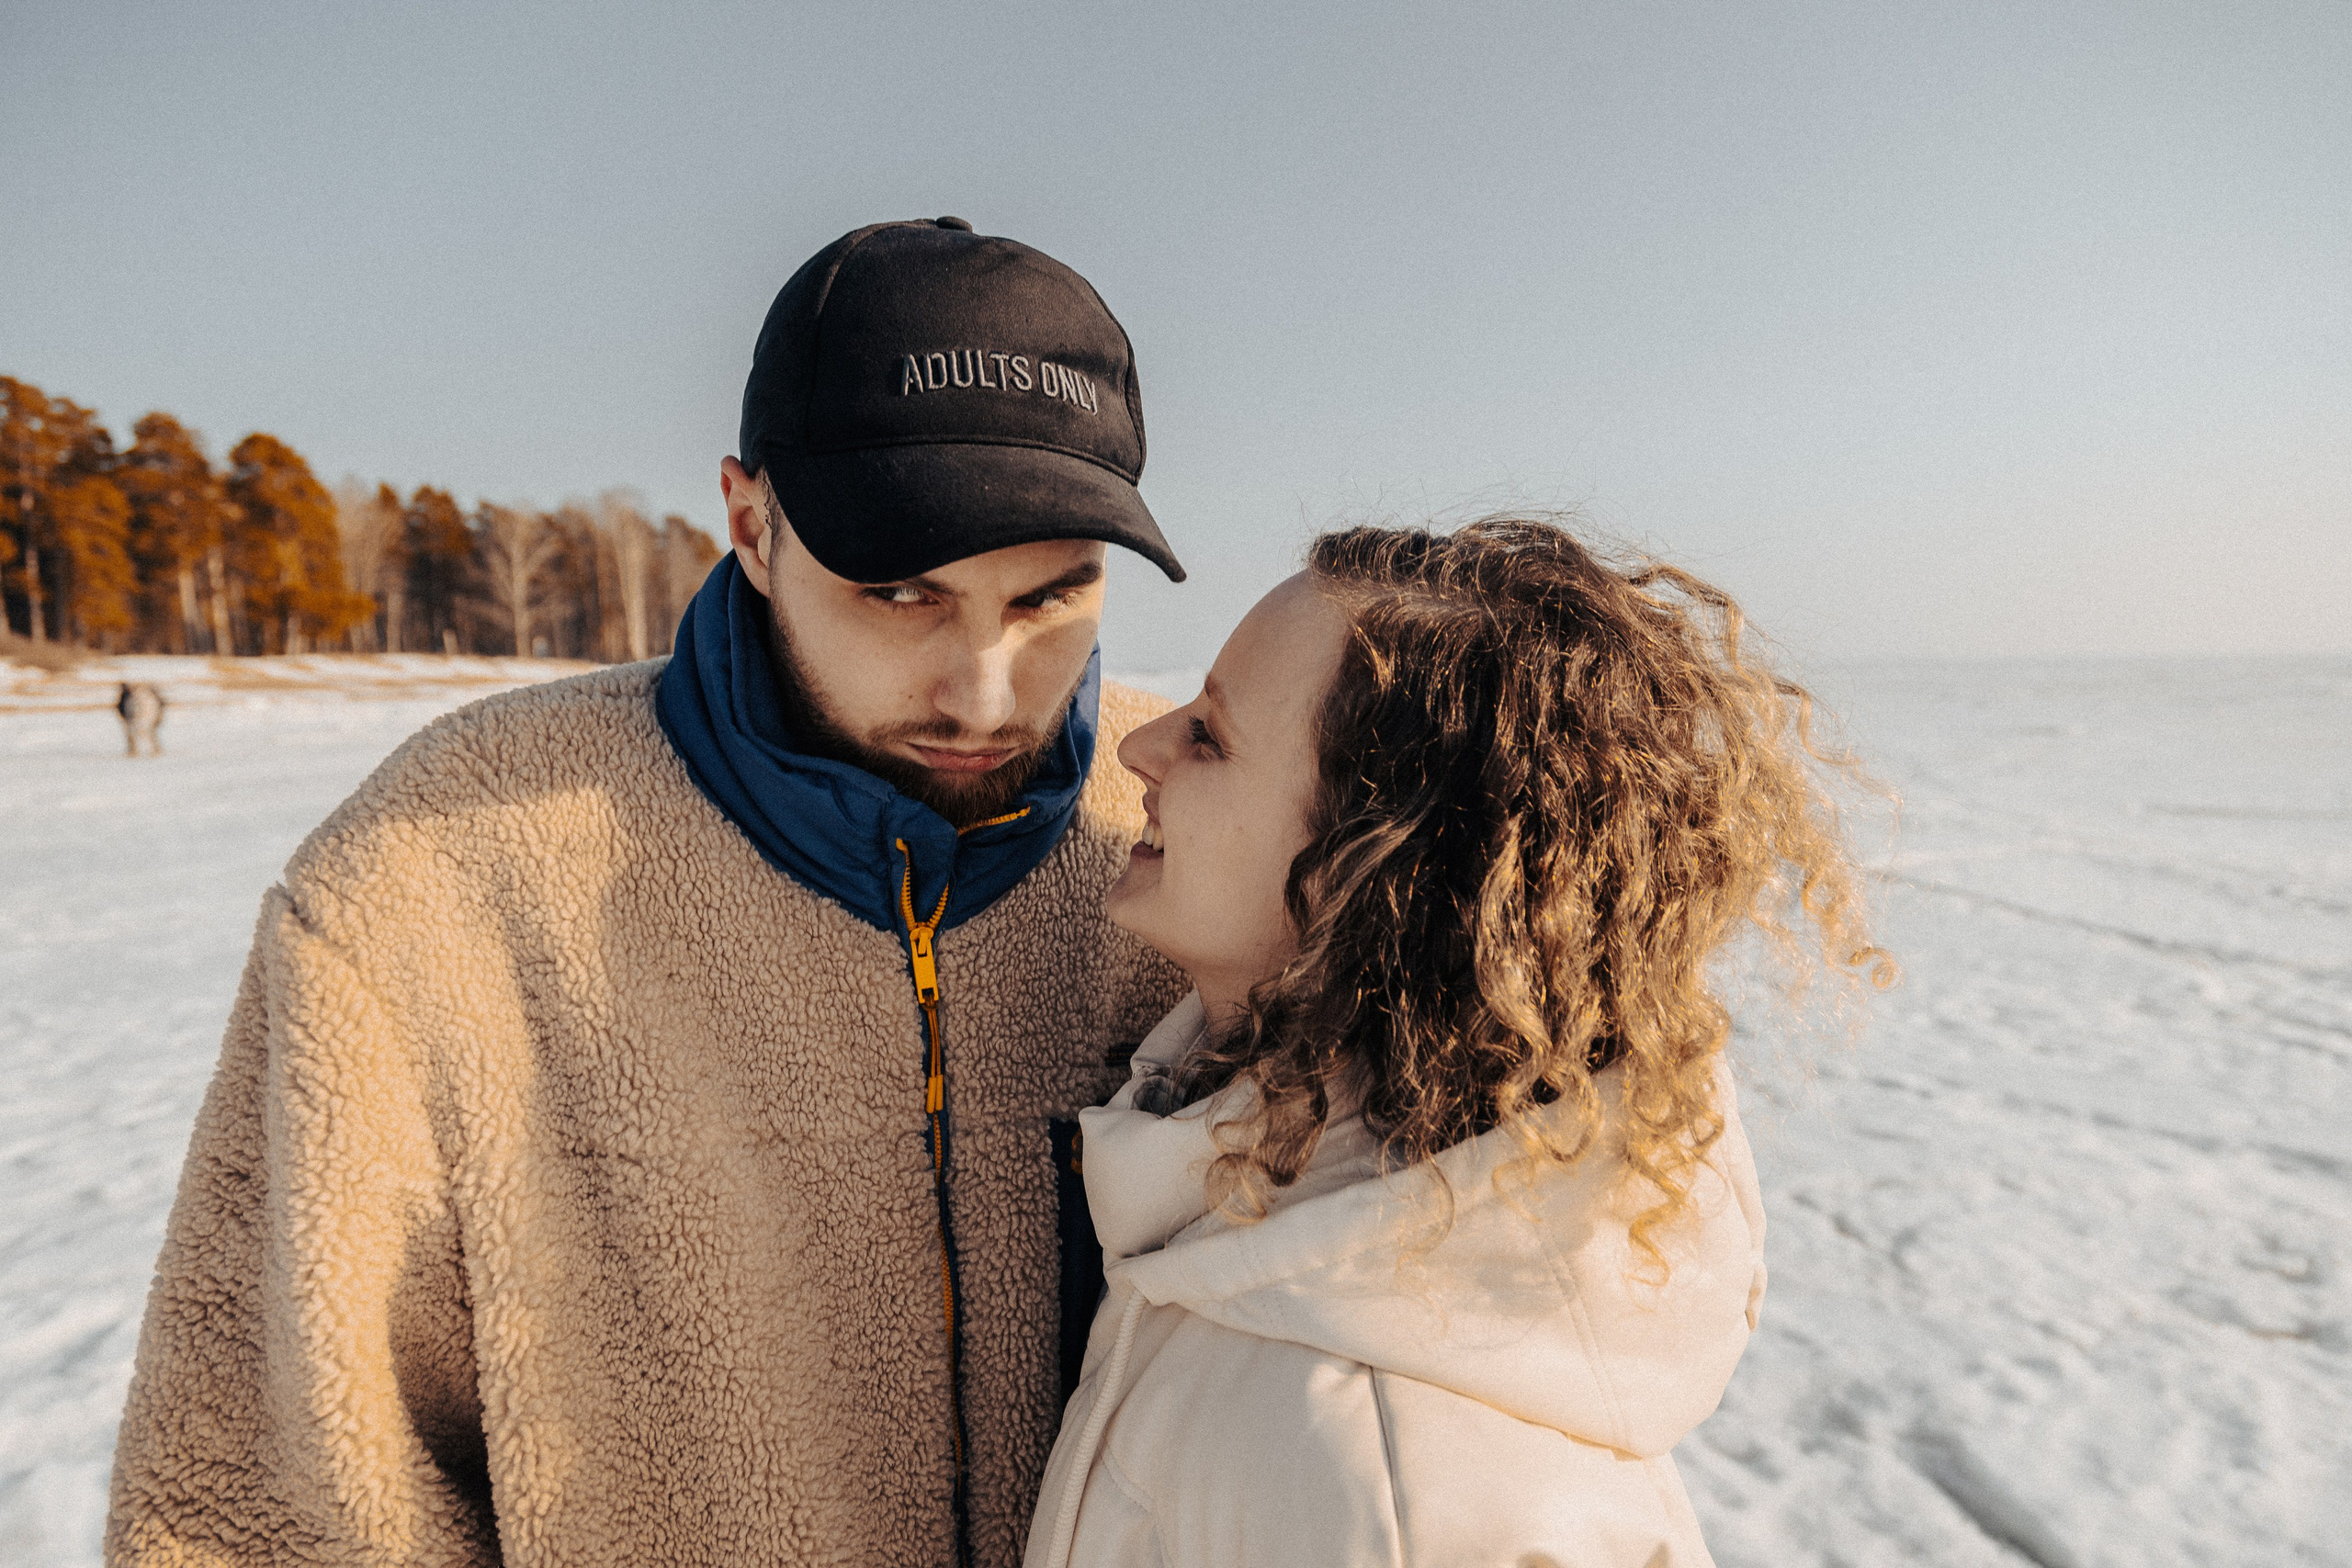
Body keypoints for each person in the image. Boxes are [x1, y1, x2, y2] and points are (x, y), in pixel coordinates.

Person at [107, 218, 1192, 1568]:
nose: (982, 692)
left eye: (1049, 598)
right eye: (902, 591)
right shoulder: (435, 873)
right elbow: (267, 1505)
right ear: (749, 521)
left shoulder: (1203, 835)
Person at [1027, 519, 1892, 1568]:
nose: (1136, 749)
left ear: (1369, 872)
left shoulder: (1387, 1486)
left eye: (1209, 735)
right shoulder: (1267, 1238)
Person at [116, 681, 164, 757]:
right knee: (135, 734)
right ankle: (134, 750)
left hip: (144, 719)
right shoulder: (127, 697)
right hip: (132, 719)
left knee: (148, 733)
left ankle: (154, 749)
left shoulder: (145, 698)